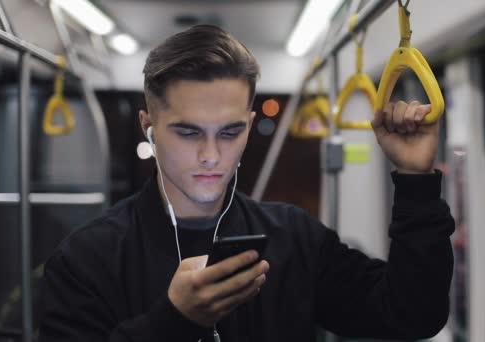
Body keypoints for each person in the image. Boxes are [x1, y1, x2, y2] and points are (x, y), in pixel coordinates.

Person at [39, 24, 454, 342]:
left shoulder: (294, 238)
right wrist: (174, 322)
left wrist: (415, 181)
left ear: (251, 125)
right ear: (149, 126)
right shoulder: (86, 260)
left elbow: (412, 314)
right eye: (188, 132)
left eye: (229, 132)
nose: (211, 156)